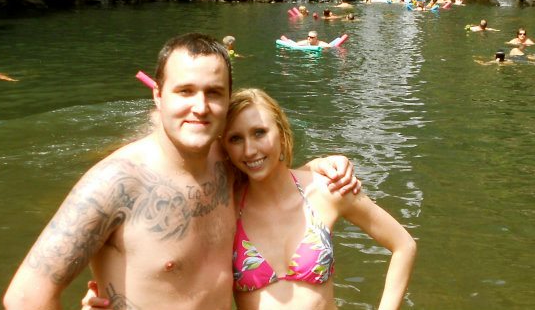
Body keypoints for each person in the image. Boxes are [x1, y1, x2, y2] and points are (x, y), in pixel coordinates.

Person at [3, 33, 357, 310]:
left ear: (228, 97)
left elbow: (273, 175)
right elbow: (26, 298)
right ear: (158, 96)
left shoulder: (229, 163)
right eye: (185, 91)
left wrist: (315, 169)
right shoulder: (114, 184)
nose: (200, 107)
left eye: (214, 93)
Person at [87, 88, 416, 310]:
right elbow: (169, 264)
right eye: (236, 139)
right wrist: (112, 297)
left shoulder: (326, 189)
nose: (250, 150)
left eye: (260, 133)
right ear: (225, 148)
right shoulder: (223, 207)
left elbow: (403, 245)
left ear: (281, 131)